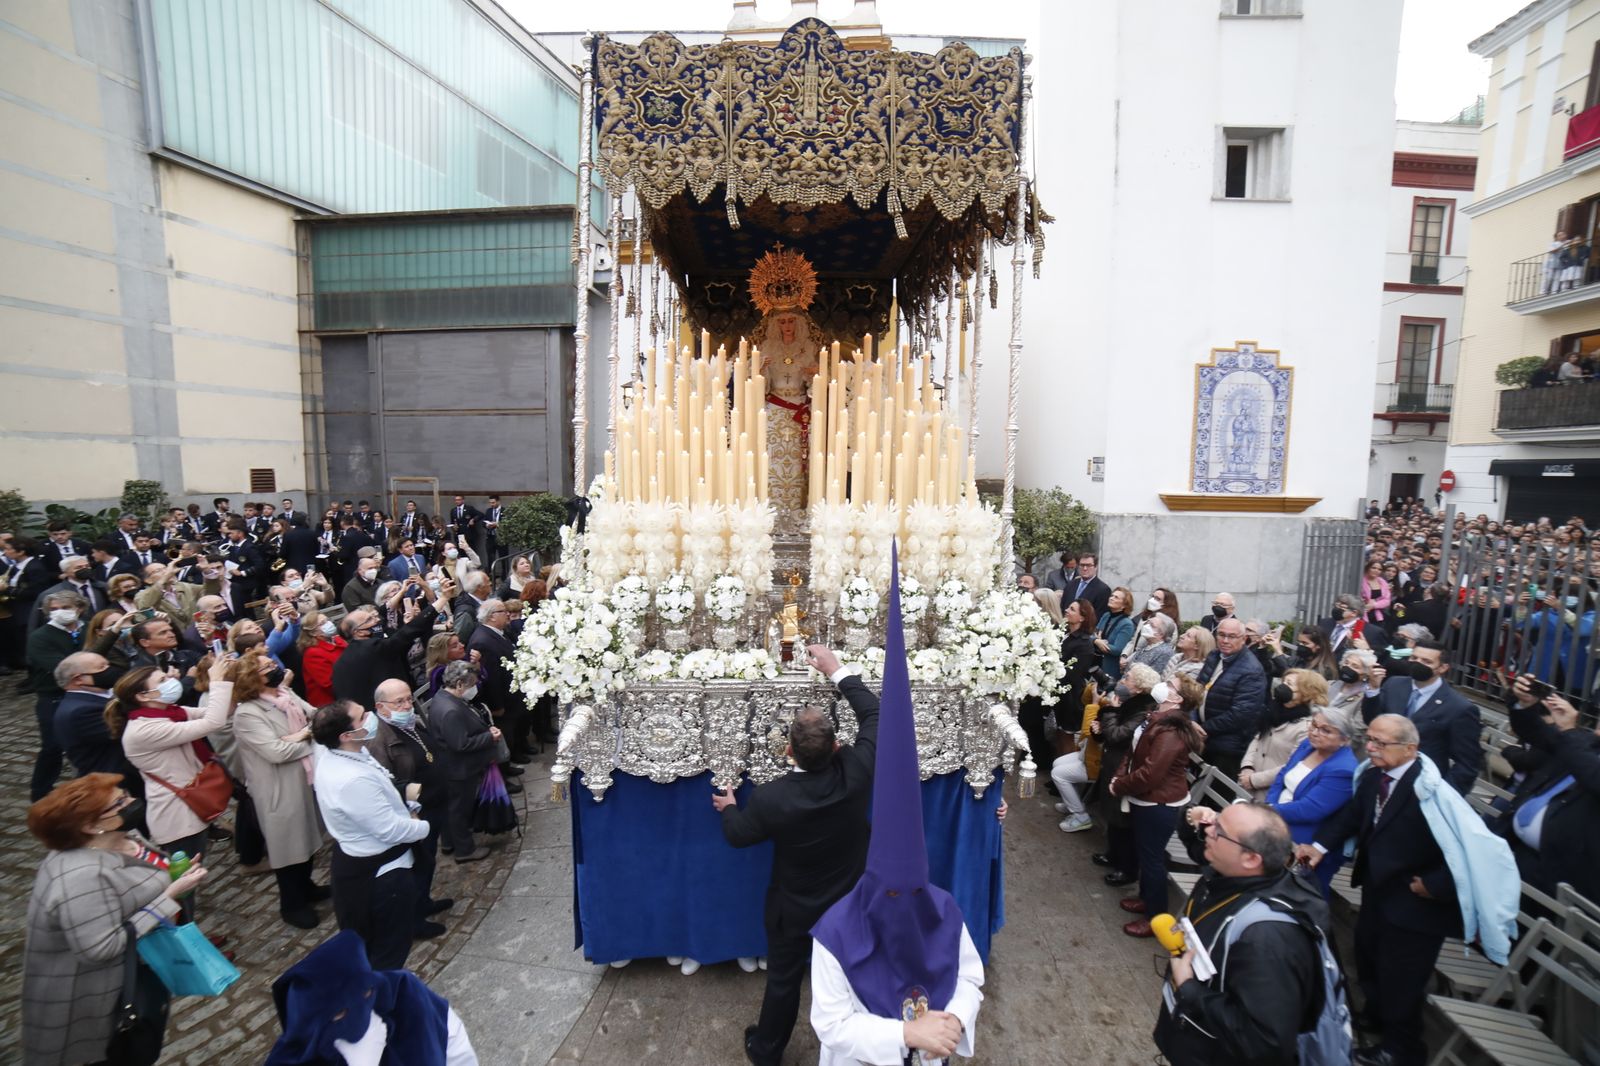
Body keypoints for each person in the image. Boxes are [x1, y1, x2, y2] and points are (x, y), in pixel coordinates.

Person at [809, 571, 983, 1066]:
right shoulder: (836, 933)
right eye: (892, 894)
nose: (906, 905)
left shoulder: (943, 911)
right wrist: (907, 1035)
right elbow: (833, 1026)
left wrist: (952, 1022)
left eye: (914, 892)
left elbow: (970, 976)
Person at [1296, 714, 1520, 1066]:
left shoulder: (1432, 791)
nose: (1370, 748)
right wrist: (1320, 847)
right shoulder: (1373, 776)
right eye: (1369, 740)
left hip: (1417, 902)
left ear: (1410, 748)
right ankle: (1375, 1016)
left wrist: (1435, 885)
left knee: (1402, 977)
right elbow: (1353, 817)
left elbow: (1468, 849)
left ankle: (1402, 1049)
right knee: (1368, 958)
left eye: (1380, 743)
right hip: (1378, 888)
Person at [713, 644, 881, 1066]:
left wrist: (729, 805)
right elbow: (878, 716)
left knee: (784, 979)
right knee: (853, 970)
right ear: (838, 746)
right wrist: (837, 670)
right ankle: (860, 1040)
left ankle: (768, 1049)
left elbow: (738, 835)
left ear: (788, 751)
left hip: (795, 906)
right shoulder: (857, 771)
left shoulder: (773, 798)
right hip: (851, 899)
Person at [23, 774, 209, 1066]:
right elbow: (100, 948)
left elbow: (145, 882)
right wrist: (170, 896)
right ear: (90, 825)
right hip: (97, 1003)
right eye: (119, 803)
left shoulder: (124, 838)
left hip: (142, 967)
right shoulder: (80, 877)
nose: (132, 803)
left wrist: (178, 877)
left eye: (126, 796)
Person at [1154, 803, 1328, 1066]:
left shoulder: (1268, 939)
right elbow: (1197, 844)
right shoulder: (1234, 871)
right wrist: (1191, 815)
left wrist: (1190, 990)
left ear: (1251, 858)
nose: (1208, 831)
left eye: (1218, 830)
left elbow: (1264, 1041)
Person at [310, 699, 431, 971]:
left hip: (368, 858)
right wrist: (422, 824)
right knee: (388, 951)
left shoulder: (334, 751)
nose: (371, 716)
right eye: (362, 716)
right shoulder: (350, 779)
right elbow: (389, 829)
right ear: (346, 736)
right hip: (382, 873)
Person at [109, 660, 235, 893]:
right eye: (162, 681)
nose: (171, 681)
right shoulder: (144, 729)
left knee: (191, 874)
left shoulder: (171, 713)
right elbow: (213, 722)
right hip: (176, 813)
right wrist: (216, 681)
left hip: (190, 799)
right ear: (143, 696)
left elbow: (219, 711)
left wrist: (229, 678)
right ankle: (182, 926)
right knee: (182, 884)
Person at [231, 650, 327, 930]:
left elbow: (314, 716)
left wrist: (303, 733)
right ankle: (292, 903)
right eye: (266, 668)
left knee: (306, 837)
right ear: (251, 679)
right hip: (278, 786)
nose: (275, 669)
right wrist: (310, 737)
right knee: (287, 846)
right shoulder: (248, 714)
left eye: (273, 664)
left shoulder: (284, 693)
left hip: (304, 776)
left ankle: (307, 886)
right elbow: (276, 751)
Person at [1109, 684, 1205, 937]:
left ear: (1177, 698)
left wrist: (1119, 786)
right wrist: (1119, 776)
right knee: (1145, 853)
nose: (1164, 684)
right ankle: (1146, 898)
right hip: (1145, 797)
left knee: (1152, 860)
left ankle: (1155, 916)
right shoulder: (1157, 717)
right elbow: (1132, 754)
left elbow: (1152, 773)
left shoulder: (1172, 730)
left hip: (1158, 802)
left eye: (1171, 685)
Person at [1497, 677, 1600, 902]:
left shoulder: (1576, 742)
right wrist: (1526, 704)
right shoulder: (1584, 742)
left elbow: (1592, 774)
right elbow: (1537, 735)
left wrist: (1568, 731)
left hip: (1561, 876)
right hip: (1520, 852)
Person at [367, 678, 456, 937]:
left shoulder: (408, 722)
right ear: (381, 707)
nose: (407, 705)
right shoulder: (379, 740)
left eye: (408, 699)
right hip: (415, 812)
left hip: (435, 803)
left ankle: (424, 901)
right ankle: (413, 920)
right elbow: (388, 783)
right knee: (417, 864)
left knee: (427, 861)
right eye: (399, 702)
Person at [1360, 638, 1480, 794]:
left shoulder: (1459, 707)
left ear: (1443, 668)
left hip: (1420, 785)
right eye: (1414, 658)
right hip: (1379, 771)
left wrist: (1441, 795)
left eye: (1426, 661)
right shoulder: (1394, 684)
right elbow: (1372, 721)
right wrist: (1373, 690)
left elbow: (1467, 764)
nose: (1417, 664)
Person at [1265, 710, 1358, 896]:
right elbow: (1282, 777)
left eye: (1326, 730)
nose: (1315, 733)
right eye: (1314, 725)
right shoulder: (1308, 745)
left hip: (1305, 840)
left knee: (1299, 896)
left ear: (1344, 739)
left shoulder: (1344, 769)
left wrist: (1270, 811)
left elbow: (1311, 809)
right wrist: (1270, 806)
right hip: (1276, 823)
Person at [332, 578, 454, 713]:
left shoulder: (340, 662)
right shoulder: (375, 648)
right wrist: (443, 598)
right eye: (369, 620)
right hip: (389, 713)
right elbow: (412, 630)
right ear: (359, 632)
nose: (377, 620)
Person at [430, 660, 503, 865]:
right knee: (460, 810)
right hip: (459, 769)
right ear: (460, 684)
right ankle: (464, 849)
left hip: (452, 766)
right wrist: (490, 737)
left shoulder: (443, 697)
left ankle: (450, 842)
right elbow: (461, 744)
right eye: (471, 685)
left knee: (453, 807)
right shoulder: (451, 710)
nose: (473, 689)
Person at [1095, 663, 1160, 879]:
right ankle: (1113, 854)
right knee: (1113, 816)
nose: (1122, 680)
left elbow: (1117, 735)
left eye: (1128, 678)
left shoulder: (1142, 710)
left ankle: (1127, 869)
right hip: (1113, 762)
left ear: (1139, 687)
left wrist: (1111, 712)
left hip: (1124, 766)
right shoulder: (1131, 703)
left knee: (1123, 820)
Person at [26, 590, 88, 800]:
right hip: (53, 696)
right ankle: (40, 791)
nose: (59, 612)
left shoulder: (88, 629)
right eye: (53, 609)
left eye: (65, 608)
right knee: (52, 746)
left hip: (88, 695)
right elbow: (63, 670)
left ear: (79, 608)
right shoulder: (40, 637)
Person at [52, 651, 141, 792]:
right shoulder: (80, 712)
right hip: (117, 784)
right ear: (78, 679)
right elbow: (132, 730)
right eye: (101, 668)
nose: (110, 670)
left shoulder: (102, 695)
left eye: (107, 664)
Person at [1194, 617, 1267, 782]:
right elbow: (1196, 691)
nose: (1225, 640)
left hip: (1227, 746)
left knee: (1215, 796)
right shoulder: (1214, 655)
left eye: (1232, 636)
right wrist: (1193, 721)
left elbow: (1241, 714)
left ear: (1244, 639)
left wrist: (1203, 729)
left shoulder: (1252, 670)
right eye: (1221, 634)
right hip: (1202, 736)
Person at [1238, 668, 1322, 801]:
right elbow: (1258, 739)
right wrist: (1247, 767)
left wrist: (1255, 780)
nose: (1283, 687)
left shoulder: (1307, 727)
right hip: (1247, 782)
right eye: (1284, 682)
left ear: (1305, 692)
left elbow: (1293, 763)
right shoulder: (1273, 711)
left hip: (1270, 791)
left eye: (1290, 684)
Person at [466, 598, 531, 765]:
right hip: (502, 698)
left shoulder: (498, 632)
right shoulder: (482, 640)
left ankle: (519, 750)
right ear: (492, 616)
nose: (508, 614)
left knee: (516, 727)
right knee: (507, 731)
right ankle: (507, 764)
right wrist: (497, 706)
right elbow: (491, 677)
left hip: (512, 693)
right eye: (503, 611)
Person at [1092, 586, 1136, 682]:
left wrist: (1098, 642)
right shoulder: (1106, 615)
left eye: (1116, 597)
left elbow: (1118, 649)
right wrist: (1097, 640)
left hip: (1110, 668)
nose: (1111, 598)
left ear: (1124, 605)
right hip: (1095, 662)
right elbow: (1093, 634)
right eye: (1112, 595)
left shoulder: (1127, 624)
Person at [1063, 553, 1111, 621]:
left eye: (1089, 565)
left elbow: (1099, 616)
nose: (1085, 568)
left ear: (1096, 567)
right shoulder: (1070, 585)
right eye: (1082, 565)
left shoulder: (1103, 590)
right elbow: (1063, 608)